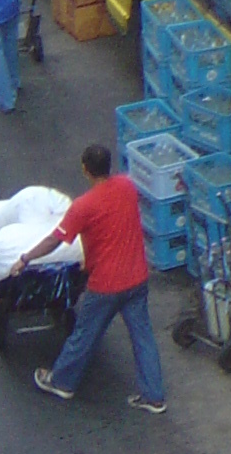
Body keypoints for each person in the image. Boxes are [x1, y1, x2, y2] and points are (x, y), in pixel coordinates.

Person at [15, 143, 166, 414]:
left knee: (84, 334)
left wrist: (25, 258)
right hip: (136, 278)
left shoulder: (83, 207)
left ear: (85, 169)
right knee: (143, 337)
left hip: (106, 284)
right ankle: (154, 396)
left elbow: (55, 240)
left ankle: (62, 381)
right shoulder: (127, 186)